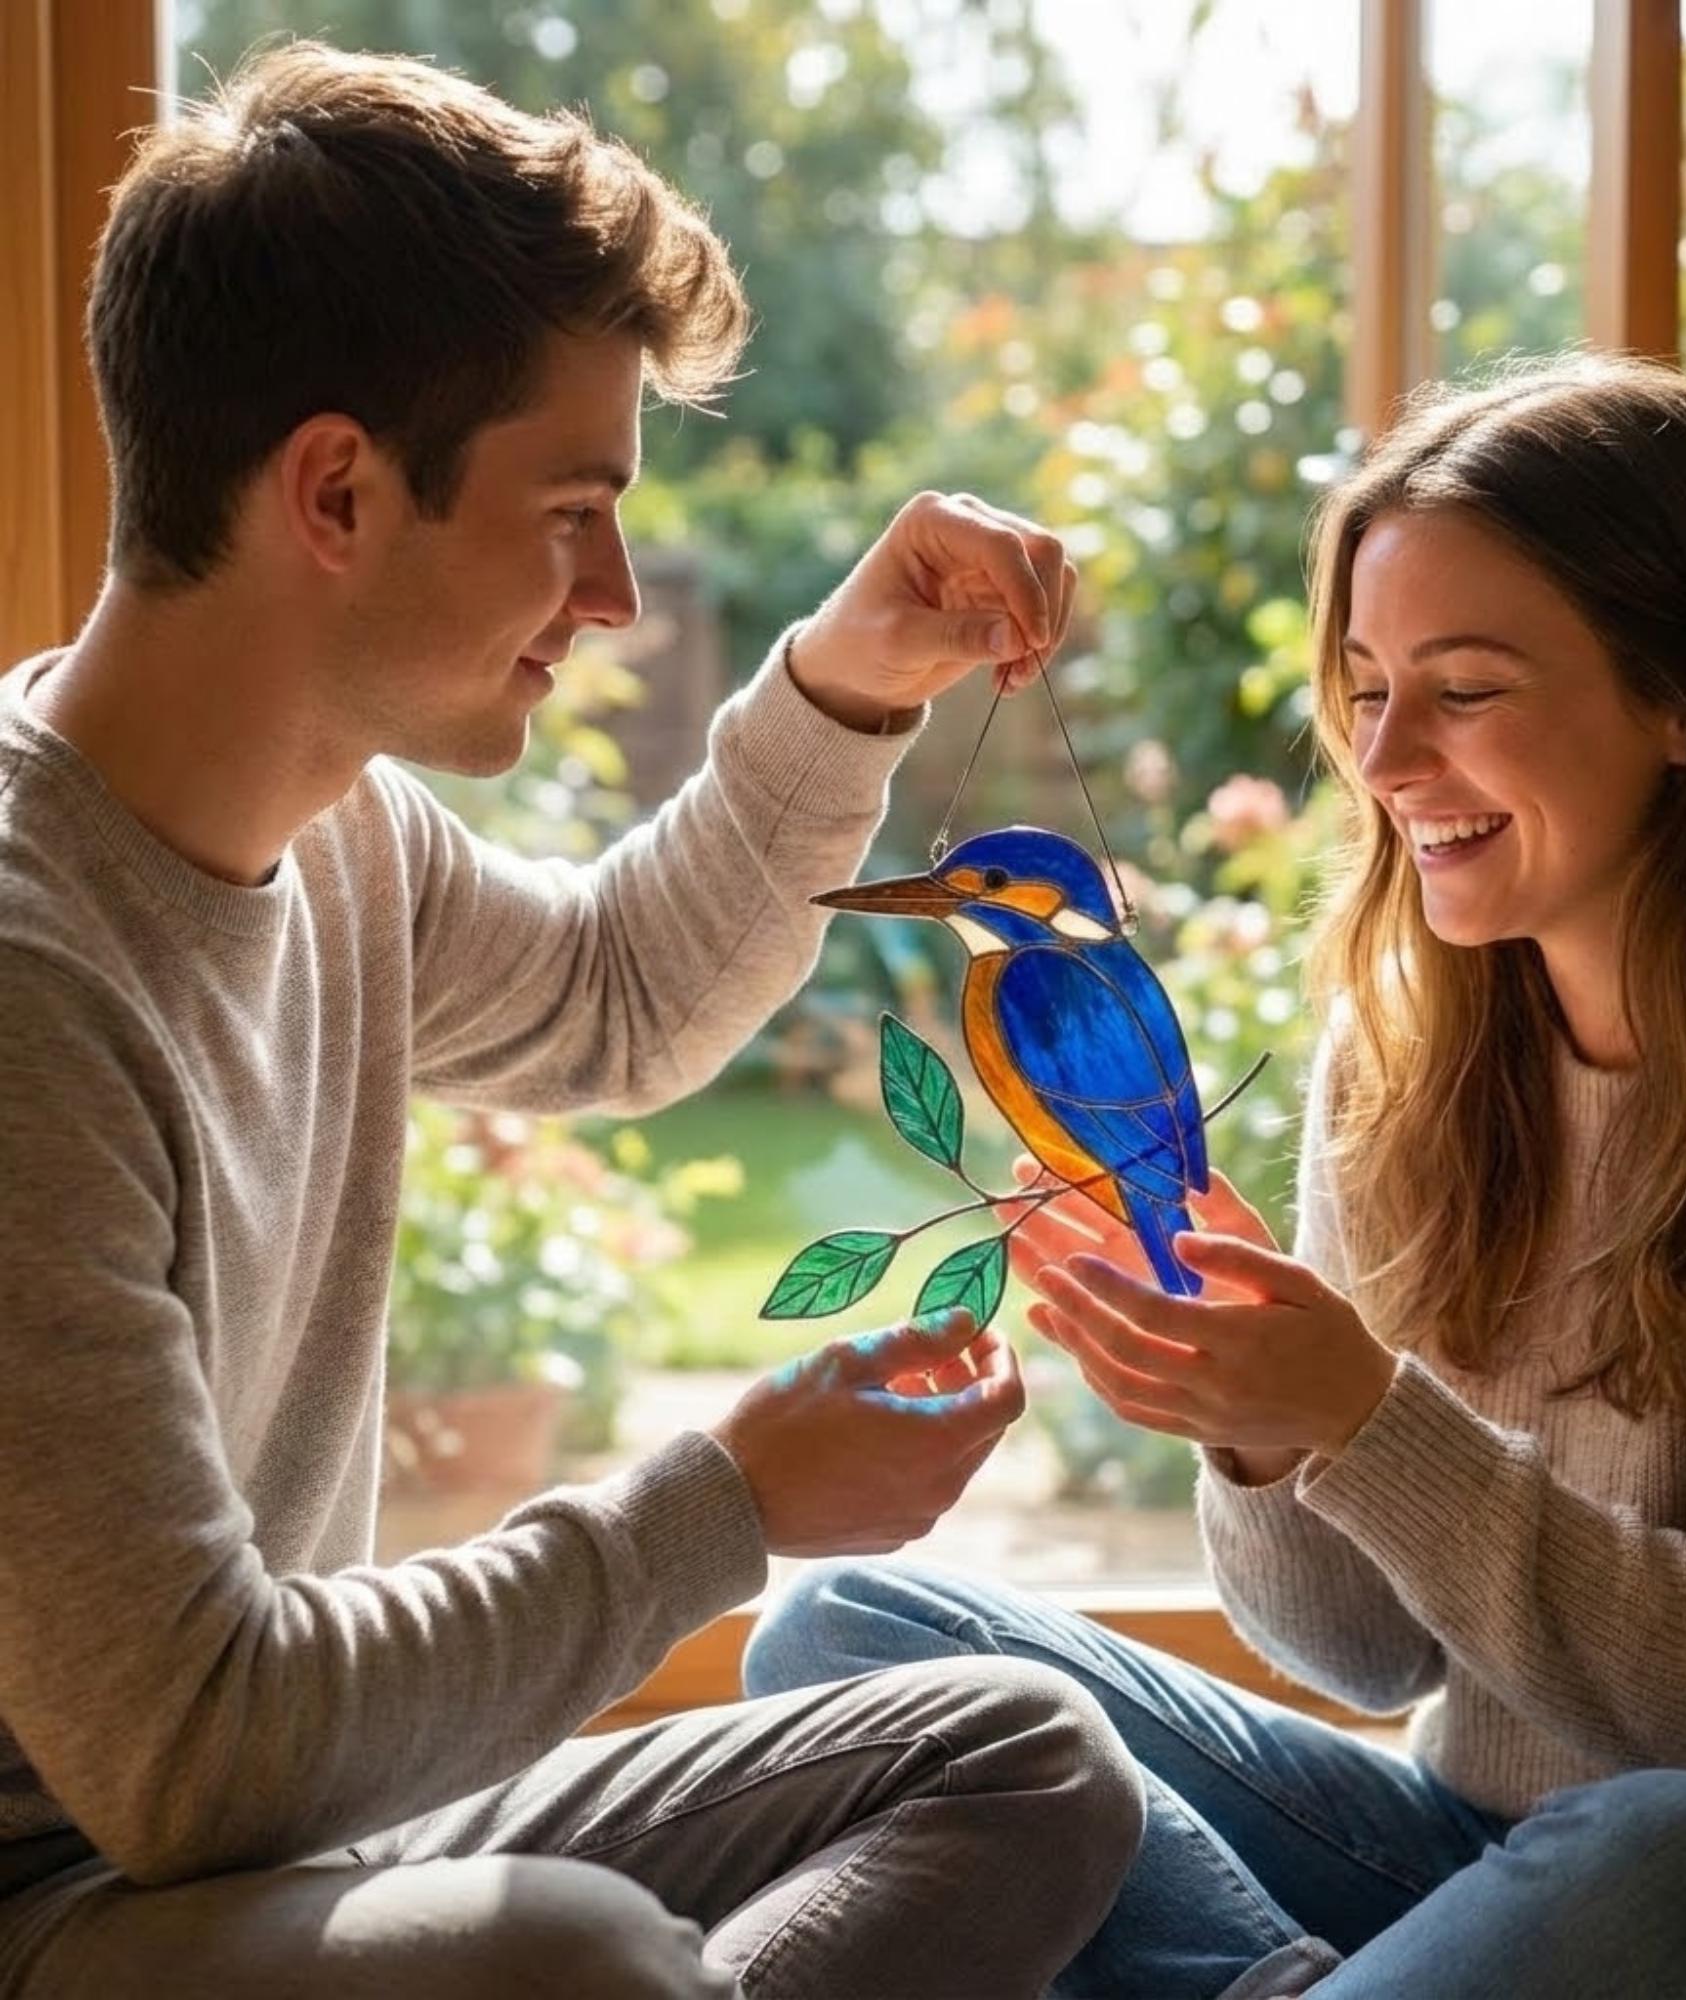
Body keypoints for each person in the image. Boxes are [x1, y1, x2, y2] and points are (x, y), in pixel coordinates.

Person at [0, 40, 1147, 2000]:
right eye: (571, 510)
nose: (614, 591)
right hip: (71, 1895)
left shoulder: (340, 841)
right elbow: (185, 1750)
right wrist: (723, 1504)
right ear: (338, 491)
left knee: (1026, 1759)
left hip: (284, 1830)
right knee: (563, 1959)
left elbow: (622, 1001)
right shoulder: (30, 985)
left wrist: (854, 683)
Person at [748, 355, 1686, 1999]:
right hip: (1477, 1852)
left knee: (1663, 1841)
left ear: (1684, 699)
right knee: (848, 1645)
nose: (1389, 756)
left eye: (1465, 689)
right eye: (1365, 686)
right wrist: (1262, 1429)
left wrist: (1364, 1414)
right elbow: (1362, 1650)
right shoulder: (1408, 1050)